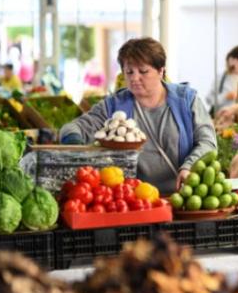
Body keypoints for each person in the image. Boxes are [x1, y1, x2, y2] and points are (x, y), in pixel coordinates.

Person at [60, 37, 217, 195]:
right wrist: (74, 143)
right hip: (135, 200)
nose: (135, 78)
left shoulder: (186, 101)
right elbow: (73, 127)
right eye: (129, 72)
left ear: (161, 71)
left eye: (143, 71)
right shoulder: (113, 106)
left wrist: (189, 167)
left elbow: (208, 142)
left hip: (185, 196)